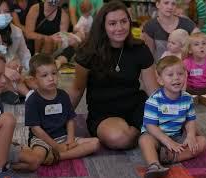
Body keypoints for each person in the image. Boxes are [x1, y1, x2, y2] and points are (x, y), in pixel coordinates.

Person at [68, 1, 159, 150]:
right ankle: (145, 134)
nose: (119, 28)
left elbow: (153, 91)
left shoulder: (140, 48)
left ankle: (147, 133)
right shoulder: (88, 52)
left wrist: (172, 109)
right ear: (103, 26)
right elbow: (77, 90)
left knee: (173, 123)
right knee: (119, 139)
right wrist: (59, 120)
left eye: (124, 21)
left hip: (136, 106)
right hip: (104, 113)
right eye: (112, 23)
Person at [12, 53, 100, 172]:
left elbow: (70, 120)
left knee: (95, 143)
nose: (51, 78)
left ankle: (58, 156)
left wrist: (70, 140)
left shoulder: (63, 95)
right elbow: (36, 130)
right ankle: (29, 155)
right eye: (44, 75)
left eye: (54, 73)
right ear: (34, 80)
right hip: (41, 140)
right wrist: (56, 146)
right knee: (36, 159)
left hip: (63, 137)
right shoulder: (32, 100)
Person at [139, 56, 206, 178]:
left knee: (202, 141)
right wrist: (167, 141)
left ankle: (170, 157)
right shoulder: (154, 100)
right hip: (156, 136)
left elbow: (190, 120)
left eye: (180, 74)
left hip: (177, 135)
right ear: (160, 80)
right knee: (144, 140)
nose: (176, 78)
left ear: (185, 75)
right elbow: (150, 126)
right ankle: (154, 165)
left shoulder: (187, 98)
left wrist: (190, 135)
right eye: (170, 75)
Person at [0, 0, 31, 104]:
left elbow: (25, 55)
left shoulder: (16, 32)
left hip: (12, 72)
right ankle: (23, 94)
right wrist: (4, 70)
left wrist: (25, 70)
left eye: (7, 12)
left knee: (19, 73)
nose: (3, 15)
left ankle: (10, 93)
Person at [25, 0, 71, 68]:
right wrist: (48, 37)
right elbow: (28, 34)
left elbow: (62, 37)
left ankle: (50, 62)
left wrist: (52, 40)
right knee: (46, 40)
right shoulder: (35, 9)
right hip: (35, 45)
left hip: (53, 46)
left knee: (71, 44)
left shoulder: (63, 15)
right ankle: (42, 61)